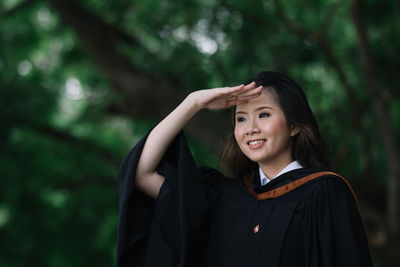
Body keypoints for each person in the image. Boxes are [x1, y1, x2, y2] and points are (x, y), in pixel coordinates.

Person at [116, 71, 373, 267]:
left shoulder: (323, 193)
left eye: (263, 115)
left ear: (293, 126)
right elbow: (140, 172)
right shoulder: (221, 197)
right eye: (241, 118)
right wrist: (193, 103)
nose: (250, 128)